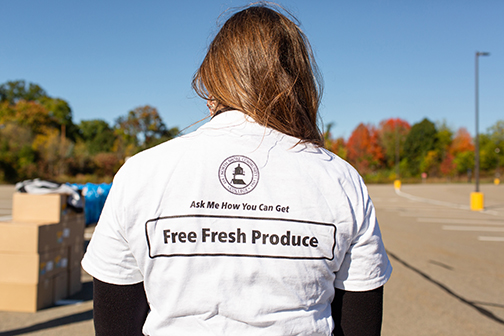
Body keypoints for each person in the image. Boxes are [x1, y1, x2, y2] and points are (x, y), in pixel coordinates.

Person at [82, 4, 392, 336]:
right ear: (299, 81)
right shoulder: (340, 179)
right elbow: (361, 323)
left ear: (214, 82)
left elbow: (115, 321)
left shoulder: (141, 173)